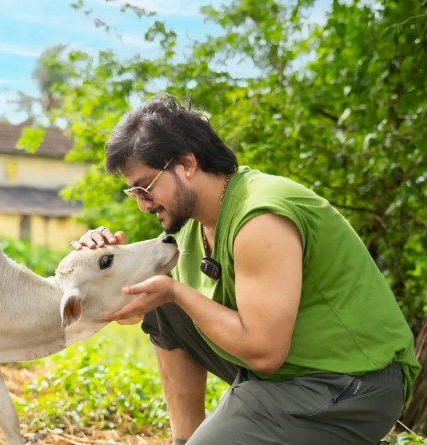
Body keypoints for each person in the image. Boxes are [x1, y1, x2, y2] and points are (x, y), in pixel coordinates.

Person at [71, 93, 420, 445]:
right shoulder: (191, 225)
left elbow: (264, 353)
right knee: (164, 302)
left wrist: (176, 291)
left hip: (352, 382)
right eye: (134, 193)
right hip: (284, 373)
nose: (144, 206)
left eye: (146, 187)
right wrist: (106, 265)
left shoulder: (260, 218)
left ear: (187, 164)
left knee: (171, 293)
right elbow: (137, 310)